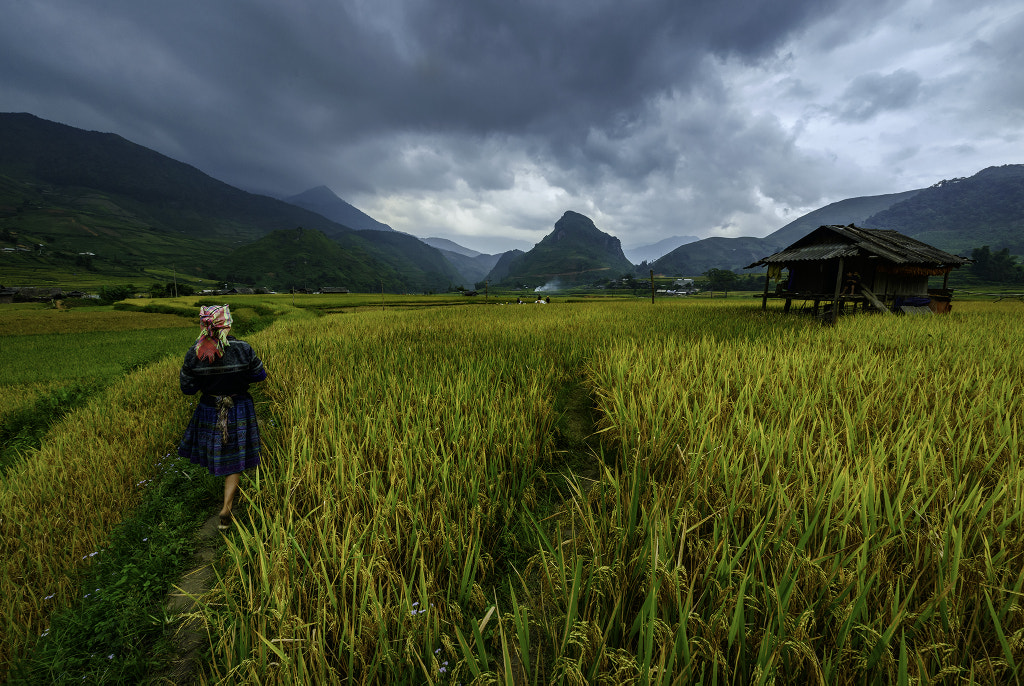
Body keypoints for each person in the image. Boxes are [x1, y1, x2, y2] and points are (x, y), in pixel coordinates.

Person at [177, 305, 267, 530]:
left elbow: (187, 388)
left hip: (210, 407)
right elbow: (260, 375)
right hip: (239, 407)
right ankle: (227, 505)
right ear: (227, 324)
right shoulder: (242, 348)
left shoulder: (194, 353)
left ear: (204, 325)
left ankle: (224, 497)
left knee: (219, 451)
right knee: (235, 456)